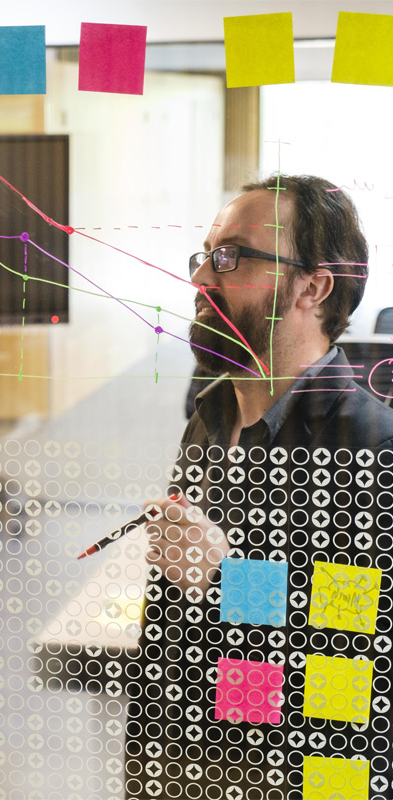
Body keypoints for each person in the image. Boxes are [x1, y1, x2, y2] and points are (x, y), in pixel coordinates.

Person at [125, 175, 393, 800]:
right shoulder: (210, 419)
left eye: (232, 257)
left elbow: (349, 673)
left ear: (313, 287)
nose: (202, 278)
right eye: (205, 256)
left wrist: (220, 578)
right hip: (188, 760)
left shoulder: (368, 447)